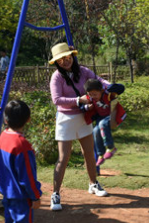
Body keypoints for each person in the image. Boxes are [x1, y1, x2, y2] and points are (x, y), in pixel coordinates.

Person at [48, 42, 110, 211]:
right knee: (63, 158)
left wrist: (108, 86)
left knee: (89, 152)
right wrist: (78, 100)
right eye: (60, 60)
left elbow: (98, 81)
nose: (64, 62)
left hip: (83, 117)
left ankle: (93, 183)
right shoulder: (57, 77)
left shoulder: (83, 71)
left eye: (67, 58)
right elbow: (57, 100)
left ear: (72, 56)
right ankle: (55, 193)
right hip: (65, 119)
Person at [0, 100, 42, 223]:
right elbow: (27, 176)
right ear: (28, 119)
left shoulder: (1, 138)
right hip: (21, 197)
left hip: (6, 193)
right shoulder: (22, 145)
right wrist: (35, 195)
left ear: (6, 120)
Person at [82, 79, 126, 166]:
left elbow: (121, 88)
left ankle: (110, 147)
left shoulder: (108, 94)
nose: (93, 96)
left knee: (102, 124)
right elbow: (82, 106)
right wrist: (87, 107)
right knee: (95, 131)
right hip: (101, 117)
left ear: (101, 91)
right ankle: (100, 154)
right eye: (90, 94)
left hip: (112, 115)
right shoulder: (90, 99)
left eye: (95, 94)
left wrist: (111, 87)